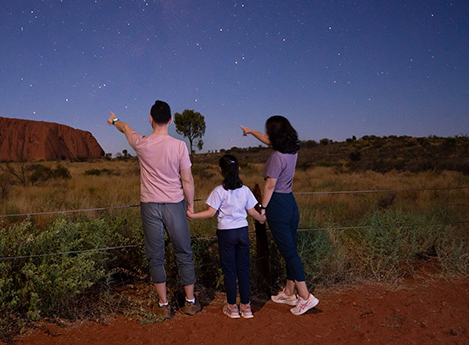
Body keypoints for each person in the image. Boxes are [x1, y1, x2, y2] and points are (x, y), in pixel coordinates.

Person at [108, 100, 201, 318]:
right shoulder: (179, 146)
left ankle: (163, 306)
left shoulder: (141, 143)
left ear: (150, 119)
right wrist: (190, 206)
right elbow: (187, 181)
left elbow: (126, 128)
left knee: (156, 257)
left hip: (150, 206)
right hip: (175, 205)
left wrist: (113, 120)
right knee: (184, 253)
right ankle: (190, 302)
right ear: (171, 120)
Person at [240, 116, 319, 315]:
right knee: (290, 248)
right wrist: (250, 131)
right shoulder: (291, 150)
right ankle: (289, 292)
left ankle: (306, 297)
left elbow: (270, 185)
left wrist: (263, 207)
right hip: (290, 203)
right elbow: (268, 140)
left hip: (277, 204)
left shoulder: (277, 157)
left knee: (289, 253)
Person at [187, 154, 266, 319]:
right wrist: (262, 218)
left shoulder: (219, 191)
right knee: (243, 270)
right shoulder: (245, 190)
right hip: (242, 232)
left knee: (229, 270)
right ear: (239, 169)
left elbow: (210, 213)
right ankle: (246, 307)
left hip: (226, 234)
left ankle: (232, 307)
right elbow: (252, 212)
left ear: (220, 170)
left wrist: (192, 216)